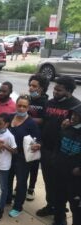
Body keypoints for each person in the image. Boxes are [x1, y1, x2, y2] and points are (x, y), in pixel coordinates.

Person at [36, 76, 81, 217]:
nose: (55, 92)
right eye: (54, 89)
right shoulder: (49, 103)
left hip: (63, 153)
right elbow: (44, 122)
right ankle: (51, 205)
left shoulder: (75, 106)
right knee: (48, 180)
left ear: (69, 91)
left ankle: (60, 208)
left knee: (61, 184)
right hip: (46, 149)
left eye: (59, 90)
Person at [42, 104, 81, 225]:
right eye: (72, 114)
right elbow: (57, 146)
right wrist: (54, 160)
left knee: (76, 207)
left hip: (76, 180)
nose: (73, 117)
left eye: (77, 116)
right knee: (58, 200)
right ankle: (59, 223)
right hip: (59, 171)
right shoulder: (66, 128)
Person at [7, 95, 41, 218]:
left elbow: (38, 140)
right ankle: (7, 199)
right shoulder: (9, 117)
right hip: (8, 155)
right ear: (15, 105)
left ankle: (17, 206)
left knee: (21, 182)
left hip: (22, 158)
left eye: (24, 106)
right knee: (8, 178)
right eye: (19, 105)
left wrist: (37, 145)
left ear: (28, 108)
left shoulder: (31, 123)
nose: (21, 108)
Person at [26, 74, 49, 201]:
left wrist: (28, 119)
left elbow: (44, 120)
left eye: (34, 86)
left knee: (34, 166)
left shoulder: (46, 103)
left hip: (37, 138)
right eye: (30, 85)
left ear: (42, 88)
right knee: (23, 164)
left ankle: (31, 189)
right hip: (25, 137)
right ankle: (20, 187)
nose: (31, 88)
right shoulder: (28, 99)